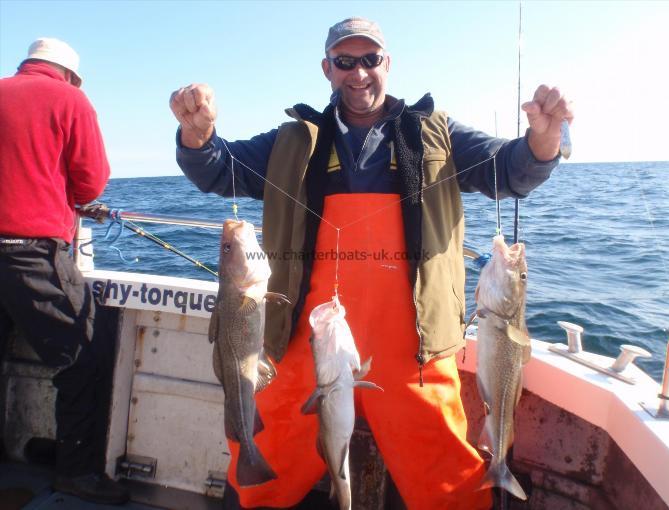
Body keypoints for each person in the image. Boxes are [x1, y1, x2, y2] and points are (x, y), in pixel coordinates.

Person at [170, 17, 573, 510]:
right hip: (304, 335)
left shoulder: (436, 133)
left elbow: (509, 170)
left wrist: (545, 141)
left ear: (389, 64)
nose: (358, 73)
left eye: (370, 60)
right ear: (327, 69)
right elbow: (219, 170)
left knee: (443, 467)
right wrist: (196, 135)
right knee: (265, 449)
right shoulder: (293, 140)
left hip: (413, 345)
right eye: (344, 62)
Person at [0, 38, 129, 505]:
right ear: (71, 75)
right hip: (29, 254)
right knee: (83, 356)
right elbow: (91, 181)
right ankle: (77, 472)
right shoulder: (70, 99)